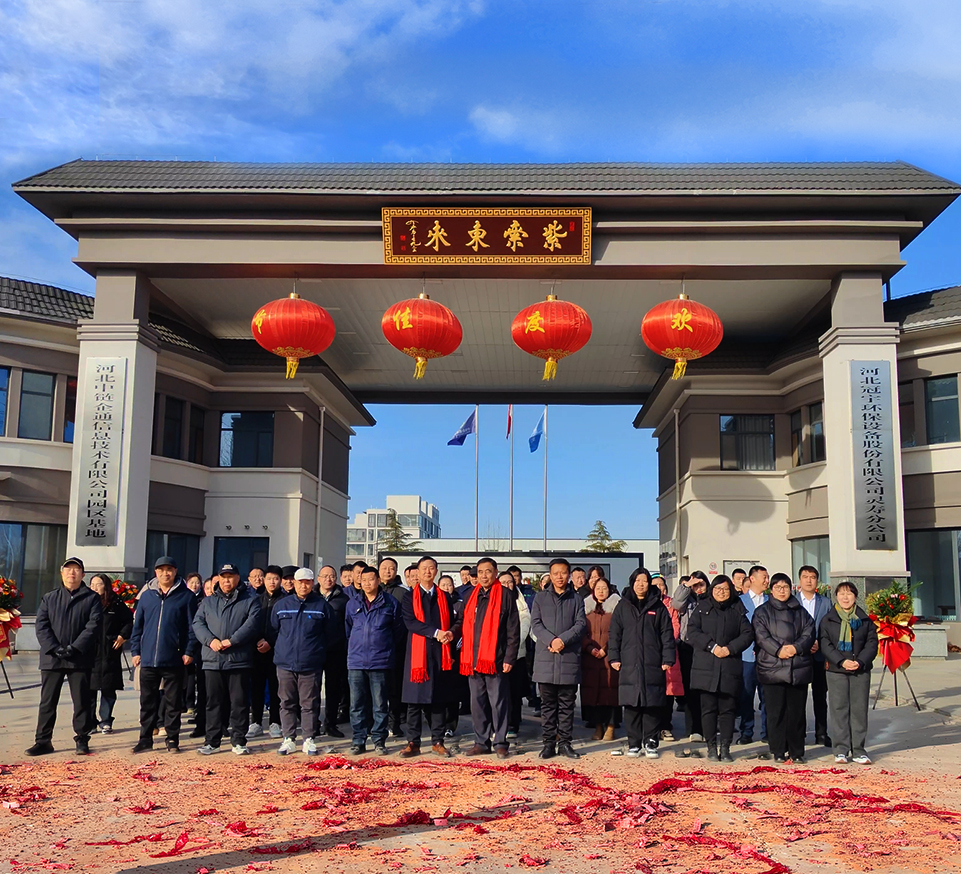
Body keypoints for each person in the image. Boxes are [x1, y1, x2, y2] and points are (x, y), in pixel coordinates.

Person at [27, 557, 103, 756]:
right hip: (52, 658)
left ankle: (82, 739)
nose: (72, 573)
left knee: (82, 701)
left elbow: (93, 626)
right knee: (47, 702)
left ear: (83, 574)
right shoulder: (50, 597)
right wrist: (54, 648)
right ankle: (43, 741)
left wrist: (75, 648)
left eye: (76, 569)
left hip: (79, 658)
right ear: (62, 573)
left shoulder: (92, 598)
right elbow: (41, 625)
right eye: (68, 569)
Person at [192, 563, 263, 755]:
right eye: (223, 577)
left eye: (230, 576)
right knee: (213, 703)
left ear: (238, 578)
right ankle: (212, 741)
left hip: (238, 659)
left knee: (239, 702)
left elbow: (252, 624)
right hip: (212, 659)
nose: (227, 581)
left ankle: (239, 740)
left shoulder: (250, 600)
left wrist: (232, 641)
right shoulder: (208, 601)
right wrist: (210, 641)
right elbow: (198, 623)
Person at [131, 556, 198, 753]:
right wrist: (135, 651)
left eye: (169, 569)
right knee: (147, 702)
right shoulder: (147, 596)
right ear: (156, 572)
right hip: (148, 659)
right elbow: (138, 627)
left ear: (175, 571)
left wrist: (188, 651)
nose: (165, 573)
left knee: (173, 702)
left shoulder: (186, 597)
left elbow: (192, 628)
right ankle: (145, 738)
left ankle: (172, 738)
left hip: (174, 659)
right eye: (161, 570)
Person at [400, 555, 463, 758]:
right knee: (414, 701)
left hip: (440, 653)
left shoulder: (444, 597)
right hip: (417, 655)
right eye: (424, 568)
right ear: (417, 573)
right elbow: (411, 623)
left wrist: (451, 632)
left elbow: (456, 621)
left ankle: (437, 741)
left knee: (438, 700)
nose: (428, 571)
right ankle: (413, 742)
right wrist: (436, 633)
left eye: (431, 568)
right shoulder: (409, 597)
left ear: (436, 571)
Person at [609, 567, 675, 759]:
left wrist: (667, 658)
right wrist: (614, 657)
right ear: (632, 583)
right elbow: (614, 634)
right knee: (632, 705)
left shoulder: (658, 606)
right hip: (629, 661)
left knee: (652, 704)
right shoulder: (623, 606)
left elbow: (667, 634)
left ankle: (651, 742)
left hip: (653, 661)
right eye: (637, 581)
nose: (641, 585)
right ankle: (634, 743)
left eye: (644, 581)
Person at [686, 576, 754, 762]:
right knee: (708, 709)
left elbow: (747, 634)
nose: (721, 592)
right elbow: (693, 631)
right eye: (717, 589)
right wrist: (712, 647)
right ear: (712, 590)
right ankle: (711, 747)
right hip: (706, 665)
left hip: (729, 666)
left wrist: (730, 649)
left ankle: (725, 747)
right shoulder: (703, 607)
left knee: (727, 709)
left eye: (725, 589)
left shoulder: (737, 607)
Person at [460, 558, 520, 758]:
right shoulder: (471, 595)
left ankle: (500, 742)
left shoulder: (505, 595)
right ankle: (481, 742)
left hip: (496, 659)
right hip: (473, 659)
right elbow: (461, 622)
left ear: (496, 572)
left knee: (498, 703)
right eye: (480, 572)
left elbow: (513, 629)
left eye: (488, 571)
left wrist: (509, 657)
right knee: (477, 703)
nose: (484, 576)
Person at [752, 573, 815, 764]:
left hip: (798, 668)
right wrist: (778, 650)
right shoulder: (762, 612)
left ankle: (796, 751)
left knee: (797, 713)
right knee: (775, 713)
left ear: (791, 588)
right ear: (771, 590)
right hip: (772, 668)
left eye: (785, 587)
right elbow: (761, 636)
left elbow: (809, 632)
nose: (782, 591)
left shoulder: (800, 611)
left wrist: (795, 648)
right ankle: (778, 750)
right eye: (778, 587)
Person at [268, 567, 330, 755]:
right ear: (294, 583)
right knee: (286, 702)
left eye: (307, 582)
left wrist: (317, 652)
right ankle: (288, 738)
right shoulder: (282, 605)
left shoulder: (321, 606)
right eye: (300, 582)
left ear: (312, 583)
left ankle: (309, 738)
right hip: (285, 663)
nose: (304, 585)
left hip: (310, 664)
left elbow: (331, 633)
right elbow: (273, 631)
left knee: (309, 703)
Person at [531, 557, 588, 759]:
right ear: (550, 574)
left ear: (569, 574)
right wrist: (551, 640)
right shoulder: (540, 598)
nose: (559, 577)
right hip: (546, 659)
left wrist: (562, 640)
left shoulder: (577, 599)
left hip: (568, 659)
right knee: (547, 706)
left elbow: (581, 624)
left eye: (563, 572)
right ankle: (548, 744)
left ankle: (565, 743)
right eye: (555, 573)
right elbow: (536, 624)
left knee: (566, 705)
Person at [345, 564, 405, 755]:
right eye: (363, 580)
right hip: (356, 661)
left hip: (380, 661)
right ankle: (358, 740)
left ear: (378, 581)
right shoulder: (352, 603)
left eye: (371, 579)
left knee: (380, 705)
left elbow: (398, 630)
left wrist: (384, 648)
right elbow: (348, 630)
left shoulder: (390, 602)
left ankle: (379, 740)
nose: (367, 583)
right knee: (357, 705)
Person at [819, 582, 879, 764]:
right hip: (836, 670)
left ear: (855, 596)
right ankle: (840, 750)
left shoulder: (864, 620)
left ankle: (859, 750)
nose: (845, 597)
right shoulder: (828, 620)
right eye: (842, 594)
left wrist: (860, 661)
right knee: (839, 709)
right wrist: (841, 661)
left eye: (849, 594)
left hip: (860, 670)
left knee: (859, 710)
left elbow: (872, 643)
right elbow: (825, 643)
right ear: (836, 597)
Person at [88, 573, 133, 735]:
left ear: (106, 586)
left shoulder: (116, 603)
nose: (95, 587)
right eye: (92, 584)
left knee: (108, 688)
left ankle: (106, 720)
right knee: (89, 689)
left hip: (109, 650)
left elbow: (128, 621)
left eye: (98, 584)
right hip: (90, 651)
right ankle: (90, 722)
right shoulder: (86, 602)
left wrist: (122, 636)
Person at [796, 565, 832, 746]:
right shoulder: (793, 602)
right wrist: (804, 644)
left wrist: (819, 642)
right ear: (799, 580)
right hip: (800, 656)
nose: (809, 580)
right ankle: (799, 733)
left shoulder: (826, 603)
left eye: (812, 577)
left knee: (820, 696)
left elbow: (830, 627)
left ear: (817, 581)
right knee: (798, 697)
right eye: (805, 577)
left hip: (819, 655)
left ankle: (821, 733)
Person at [581, 578, 621, 741]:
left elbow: (619, 632)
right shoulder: (586, 609)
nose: (601, 591)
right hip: (590, 658)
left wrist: (606, 649)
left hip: (610, 657)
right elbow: (580, 632)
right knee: (593, 694)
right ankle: (598, 727)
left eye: (604, 588)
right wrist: (589, 648)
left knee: (611, 692)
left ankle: (611, 727)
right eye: (598, 588)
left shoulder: (616, 609)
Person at [249, 565, 286, 739]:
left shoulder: (285, 601)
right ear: (264, 580)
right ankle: (256, 722)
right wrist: (258, 640)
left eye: (276, 579)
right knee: (256, 687)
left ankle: (275, 722)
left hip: (277, 651)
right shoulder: (256, 600)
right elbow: (251, 624)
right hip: (257, 651)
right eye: (269, 578)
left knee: (275, 687)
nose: (272, 582)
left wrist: (270, 642)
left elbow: (285, 628)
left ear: (281, 581)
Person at [672, 571, 708, 742]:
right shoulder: (687, 602)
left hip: (708, 648)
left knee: (706, 691)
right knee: (691, 690)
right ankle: (694, 729)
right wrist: (686, 585)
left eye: (702, 584)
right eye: (696, 585)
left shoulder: (711, 601)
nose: (699, 588)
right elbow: (676, 602)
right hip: (688, 648)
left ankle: (708, 727)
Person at [738, 565, 770, 745]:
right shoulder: (739, 602)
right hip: (746, 656)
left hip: (767, 657)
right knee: (746, 695)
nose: (767, 580)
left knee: (767, 697)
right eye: (764, 577)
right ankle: (746, 731)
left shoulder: (771, 601)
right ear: (752, 579)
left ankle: (768, 732)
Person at [318, 564, 349, 737]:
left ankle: (330, 723)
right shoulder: (312, 597)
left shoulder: (343, 599)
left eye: (332, 576)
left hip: (336, 650)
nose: (328, 579)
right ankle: (313, 724)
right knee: (313, 689)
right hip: (314, 649)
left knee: (333, 689)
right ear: (319, 579)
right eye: (325, 576)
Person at [499, 570, 531, 740]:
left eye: (510, 582)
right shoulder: (494, 599)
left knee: (514, 691)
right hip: (497, 654)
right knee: (499, 692)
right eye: (503, 582)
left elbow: (525, 623)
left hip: (517, 653)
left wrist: (512, 644)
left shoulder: (520, 601)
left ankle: (513, 724)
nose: (507, 585)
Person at [379, 557, 408, 738]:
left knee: (395, 689)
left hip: (397, 648)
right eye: (384, 568)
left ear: (396, 571)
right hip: (376, 650)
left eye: (391, 568)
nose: (387, 571)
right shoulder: (373, 590)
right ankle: (377, 724)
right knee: (377, 690)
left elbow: (405, 622)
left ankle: (394, 723)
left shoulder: (403, 593)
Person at [652, 575, 683, 741]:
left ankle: (665, 726)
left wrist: (664, 644)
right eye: (655, 585)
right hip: (649, 653)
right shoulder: (646, 604)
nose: (659, 588)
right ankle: (652, 727)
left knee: (669, 691)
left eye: (661, 585)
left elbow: (675, 628)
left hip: (668, 651)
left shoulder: (671, 605)